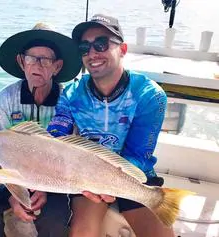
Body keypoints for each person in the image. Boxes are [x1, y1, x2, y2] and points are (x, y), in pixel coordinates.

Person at [47, 14, 173, 237]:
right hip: (86, 178)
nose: (92, 53)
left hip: (136, 176)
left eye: (101, 44)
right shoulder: (71, 93)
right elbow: (55, 136)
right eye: (84, 47)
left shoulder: (149, 95)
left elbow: (139, 155)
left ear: (122, 49)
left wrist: (108, 183)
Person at [0, 23, 82, 237]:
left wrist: (42, 188)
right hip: (9, 178)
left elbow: (67, 155)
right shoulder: (6, 98)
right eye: (31, 58)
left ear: (57, 66)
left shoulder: (68, 101)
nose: (38, 65)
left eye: (46, 60)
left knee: (55, 219)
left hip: (51, 179)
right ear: (21, 61)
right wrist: (13, 194)